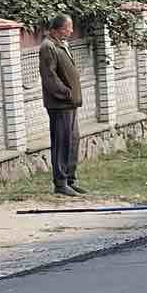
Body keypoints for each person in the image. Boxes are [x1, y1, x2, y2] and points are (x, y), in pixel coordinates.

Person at [38, 13, 84, 197]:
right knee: (61, 142)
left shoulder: (61, 44)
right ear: (58, 28)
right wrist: (65, 92)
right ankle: (60, 182)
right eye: (68, 27)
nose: (71, 31)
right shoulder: (48, 46)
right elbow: (49, 76)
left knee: (73, 140)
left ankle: (70, 178)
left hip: (70, 104)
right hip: (60, 104)